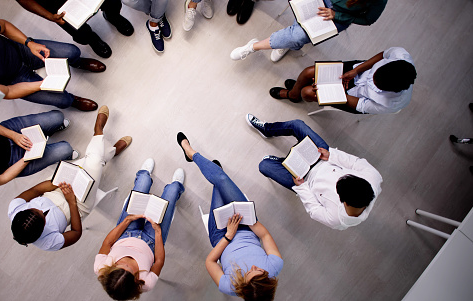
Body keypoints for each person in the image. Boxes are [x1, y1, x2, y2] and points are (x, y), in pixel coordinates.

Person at [8, 106, 132, 251]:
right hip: (78, 206)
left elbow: (36, 190)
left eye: (36, 209)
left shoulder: (14, 208)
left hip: (55, 187)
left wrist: (58, 183)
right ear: (41, 231)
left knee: (92, 161)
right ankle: (99, 133)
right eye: (43, 217)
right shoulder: (49, 243)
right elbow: (76, 233)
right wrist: (71, 201)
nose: (42, 211)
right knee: (94, 160)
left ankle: (108, 151)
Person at [177, 132, 283, 300]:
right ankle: (192, 154)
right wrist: (248, 220)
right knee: (220, 179)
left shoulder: (229, 286)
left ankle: (203, 162)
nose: (254, 266)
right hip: (247, 225)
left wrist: (228, 236)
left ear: (244, 288)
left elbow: (210, 262)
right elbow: (264, 235)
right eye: (260, 270)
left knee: (220, 182)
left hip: (221, 236)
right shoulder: (275, 265)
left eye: (250, 272)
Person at [246, 115, 383, 230]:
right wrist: (331, 155)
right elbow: (355, 162)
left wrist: (301, 187)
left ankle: (285, 162)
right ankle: (267, 130)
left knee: (264, 165)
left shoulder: (336, 220)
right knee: (297, 124)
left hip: (305, 181)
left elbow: (314, 209)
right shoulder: (374, 177)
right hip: (324, 159)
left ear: (343, 201)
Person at [0, 16, 104, 111]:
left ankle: (77, 62)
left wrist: (29, 43)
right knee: (62, 99)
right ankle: (73, 101)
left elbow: (4, 26)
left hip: (21, 49)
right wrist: (41, 84)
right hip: (13, 80)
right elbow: (8, 92)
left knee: (72, 52)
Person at [94, 158, 185, 300]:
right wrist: (158, 232)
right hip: (152, 240)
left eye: (118, 265)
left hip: (126, 232)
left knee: (143, 182)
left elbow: (107, 243)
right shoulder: (146, 283)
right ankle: (176, 185)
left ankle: (144, 174)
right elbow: (159, 260)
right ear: (136, 280)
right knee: (172, 192)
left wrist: (126, 221)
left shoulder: (101, 268)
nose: (124, 262)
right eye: (129, 268)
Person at [269, 47, 416, 114]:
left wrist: (334, 91)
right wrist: (356, 71)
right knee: (308, 72)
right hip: (358, 70)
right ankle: (295, 94)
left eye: (375, 83)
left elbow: (361, 105)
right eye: (375, 73)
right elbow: (383, 55)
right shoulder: (400, 56)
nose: (372, 79)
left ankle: (296, 92)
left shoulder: (392, 104)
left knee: (307, 92)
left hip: (353, 98)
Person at [230, 0, 387, 62]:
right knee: (298, 30)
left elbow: (369, 19)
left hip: (338, 16)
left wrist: (336, 14)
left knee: (298, 36)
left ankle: (253, 47)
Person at [16, 0, 134, 58]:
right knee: (78, 30)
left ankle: (112, 15)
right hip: (53, 2)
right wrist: (50, 16)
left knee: (111, 2)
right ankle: (91, 38)